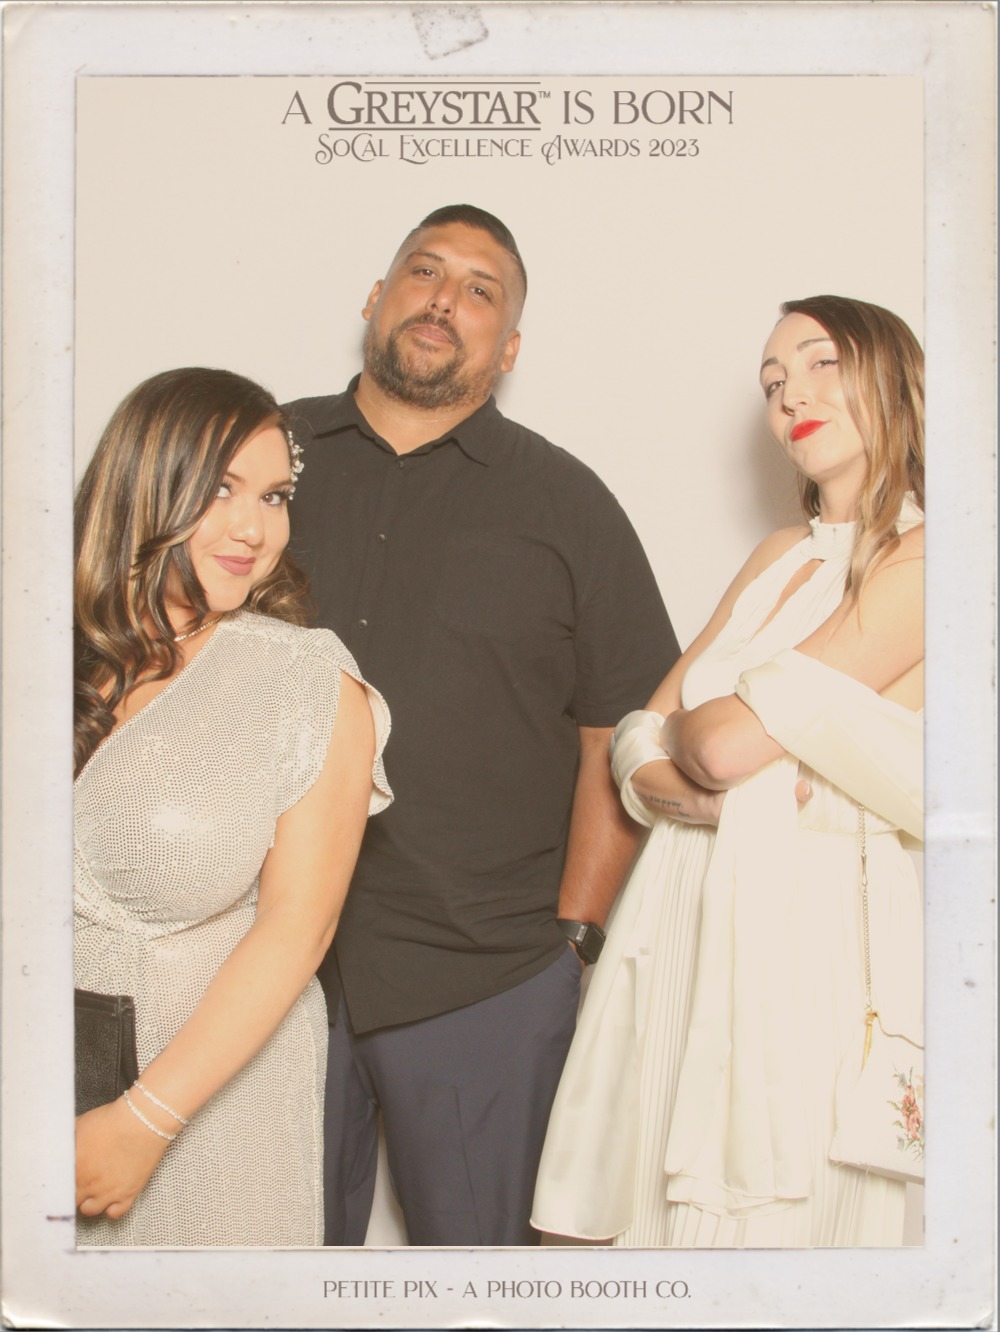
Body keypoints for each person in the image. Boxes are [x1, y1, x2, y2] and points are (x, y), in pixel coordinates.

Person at [283, 203, 680, 1246]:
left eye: (479, 290)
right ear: (376, 299)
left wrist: (574, 940)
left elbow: (622, 730)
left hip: (483, 978)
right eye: (424, 272)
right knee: (254, 1284)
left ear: (509, 348)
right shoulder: (258, 462)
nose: (442, 301)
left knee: (484, 1293)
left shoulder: (569, 504)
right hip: (255, 963)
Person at [532, 294, 925, 1247]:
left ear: (894, 377)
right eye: (773, 380)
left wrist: (698, 750)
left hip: (804, 933)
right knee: (635, 1228)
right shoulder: (778, 556)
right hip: (672, 917)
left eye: (822, 362)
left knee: (767, 1237)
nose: (792, 393)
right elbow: (641, 738)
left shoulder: (932, 558)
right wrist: (711, 775)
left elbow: (712, 744)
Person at [73, 367, 392, 1246]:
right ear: (143, 482)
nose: (255, 528)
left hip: (204, 1121)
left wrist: (143, 1122)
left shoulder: (305, 681)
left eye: (275, 496)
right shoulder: (42, 649)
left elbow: (298, 930)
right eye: (222, 489)